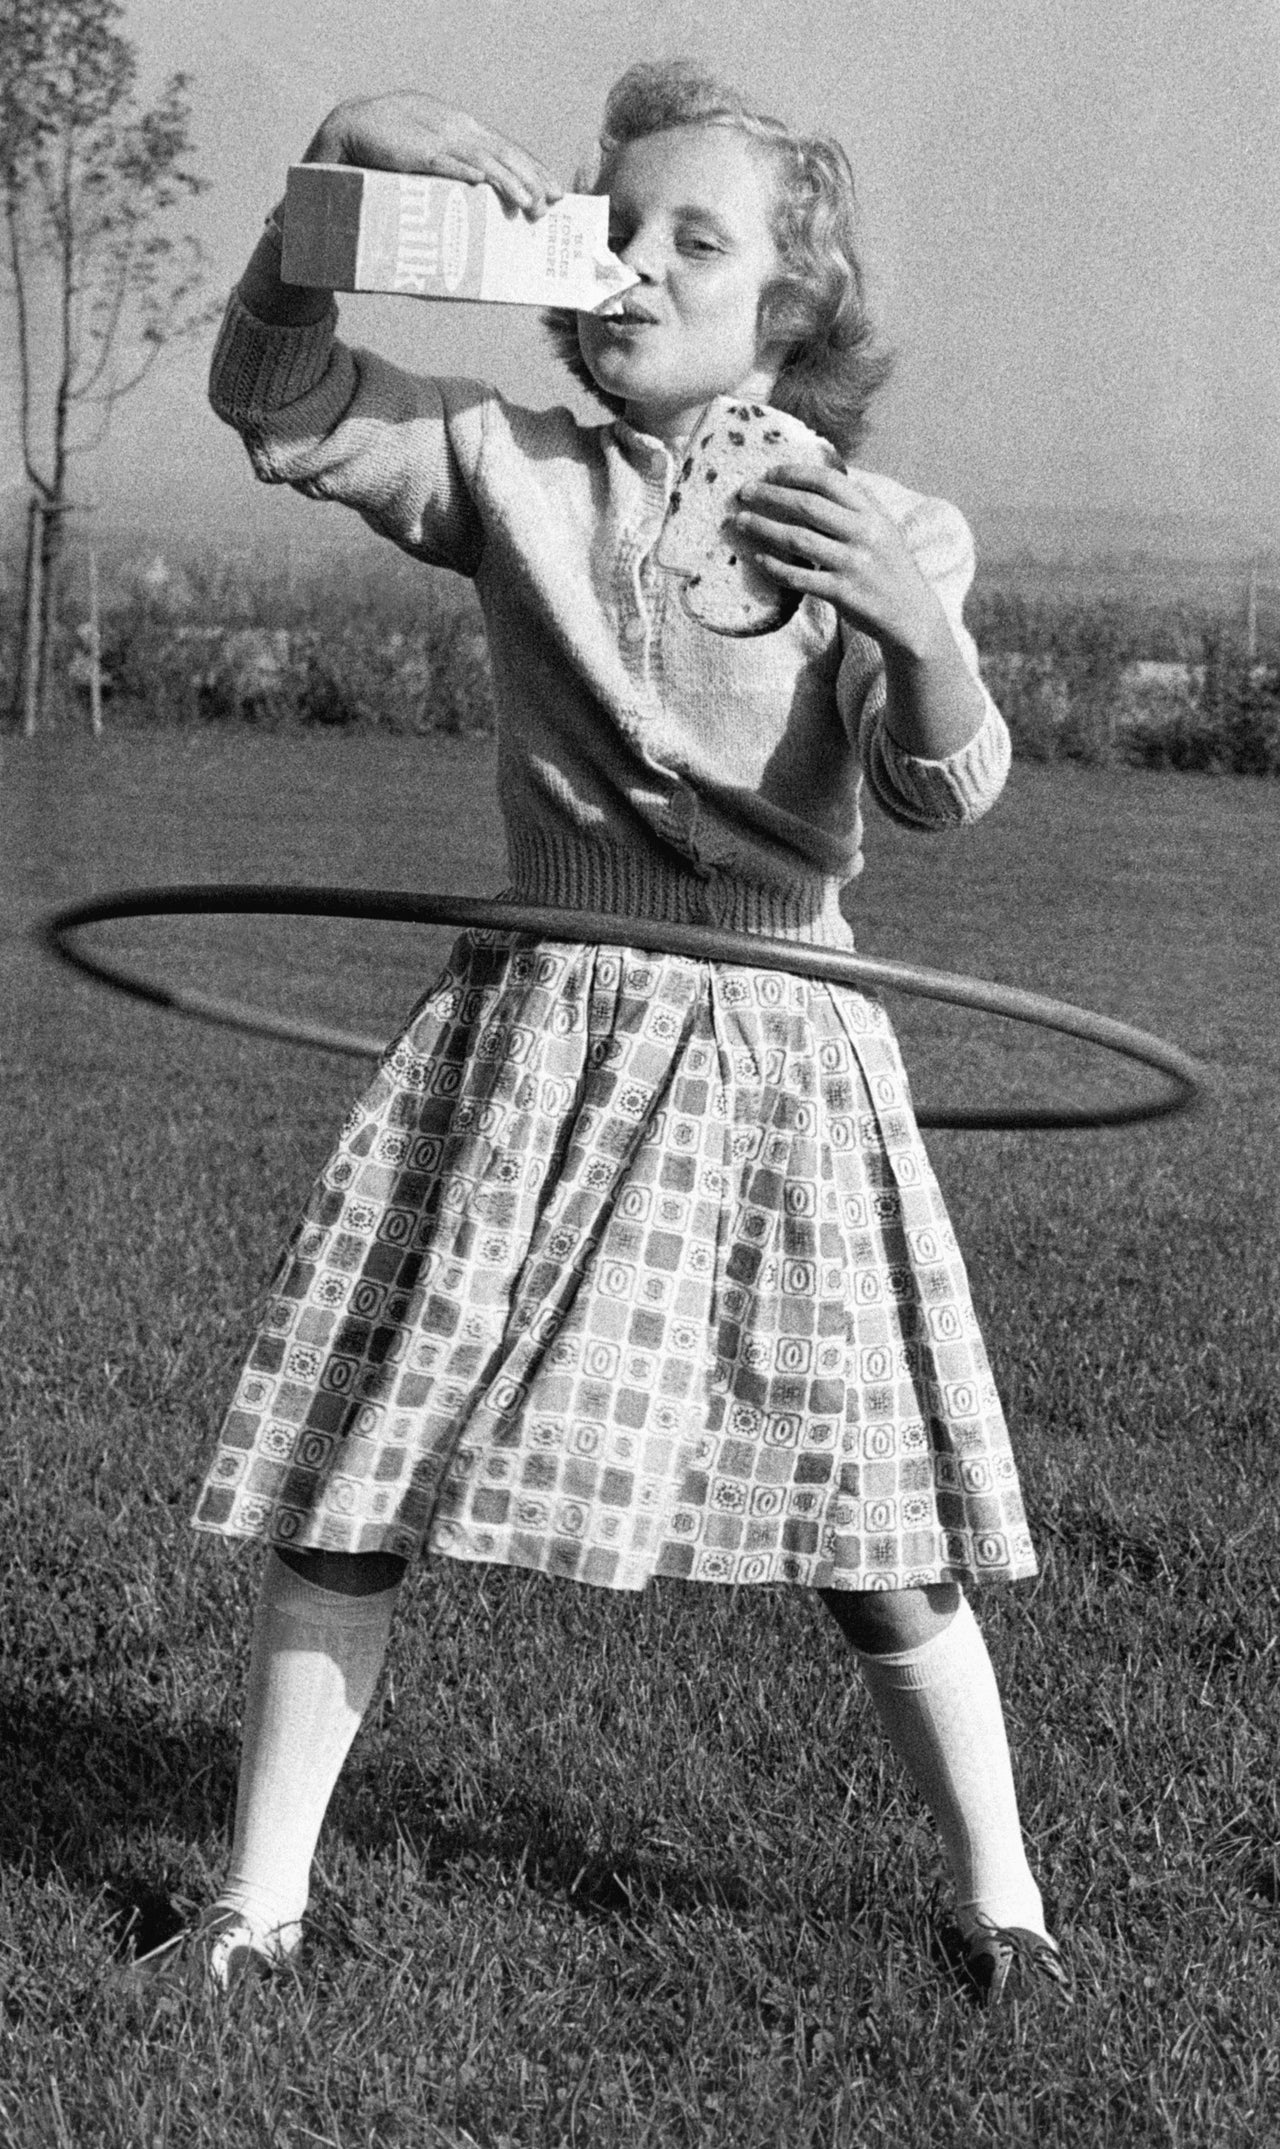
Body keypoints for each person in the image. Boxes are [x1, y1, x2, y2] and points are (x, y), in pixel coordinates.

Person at [144, 61, 1065, 2008]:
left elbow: (935, 791)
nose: (633, 269)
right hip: (532, 1039)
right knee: (356, 1464)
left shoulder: (893, 525)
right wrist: (339, 176)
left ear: (786, 306)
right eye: (607, 229)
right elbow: (277, 400)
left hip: (775, 1060)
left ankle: (1006, 1912)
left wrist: (921, 630)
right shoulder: (509, 466)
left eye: (693, 243)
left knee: (866, 1526)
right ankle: (258, 1901)